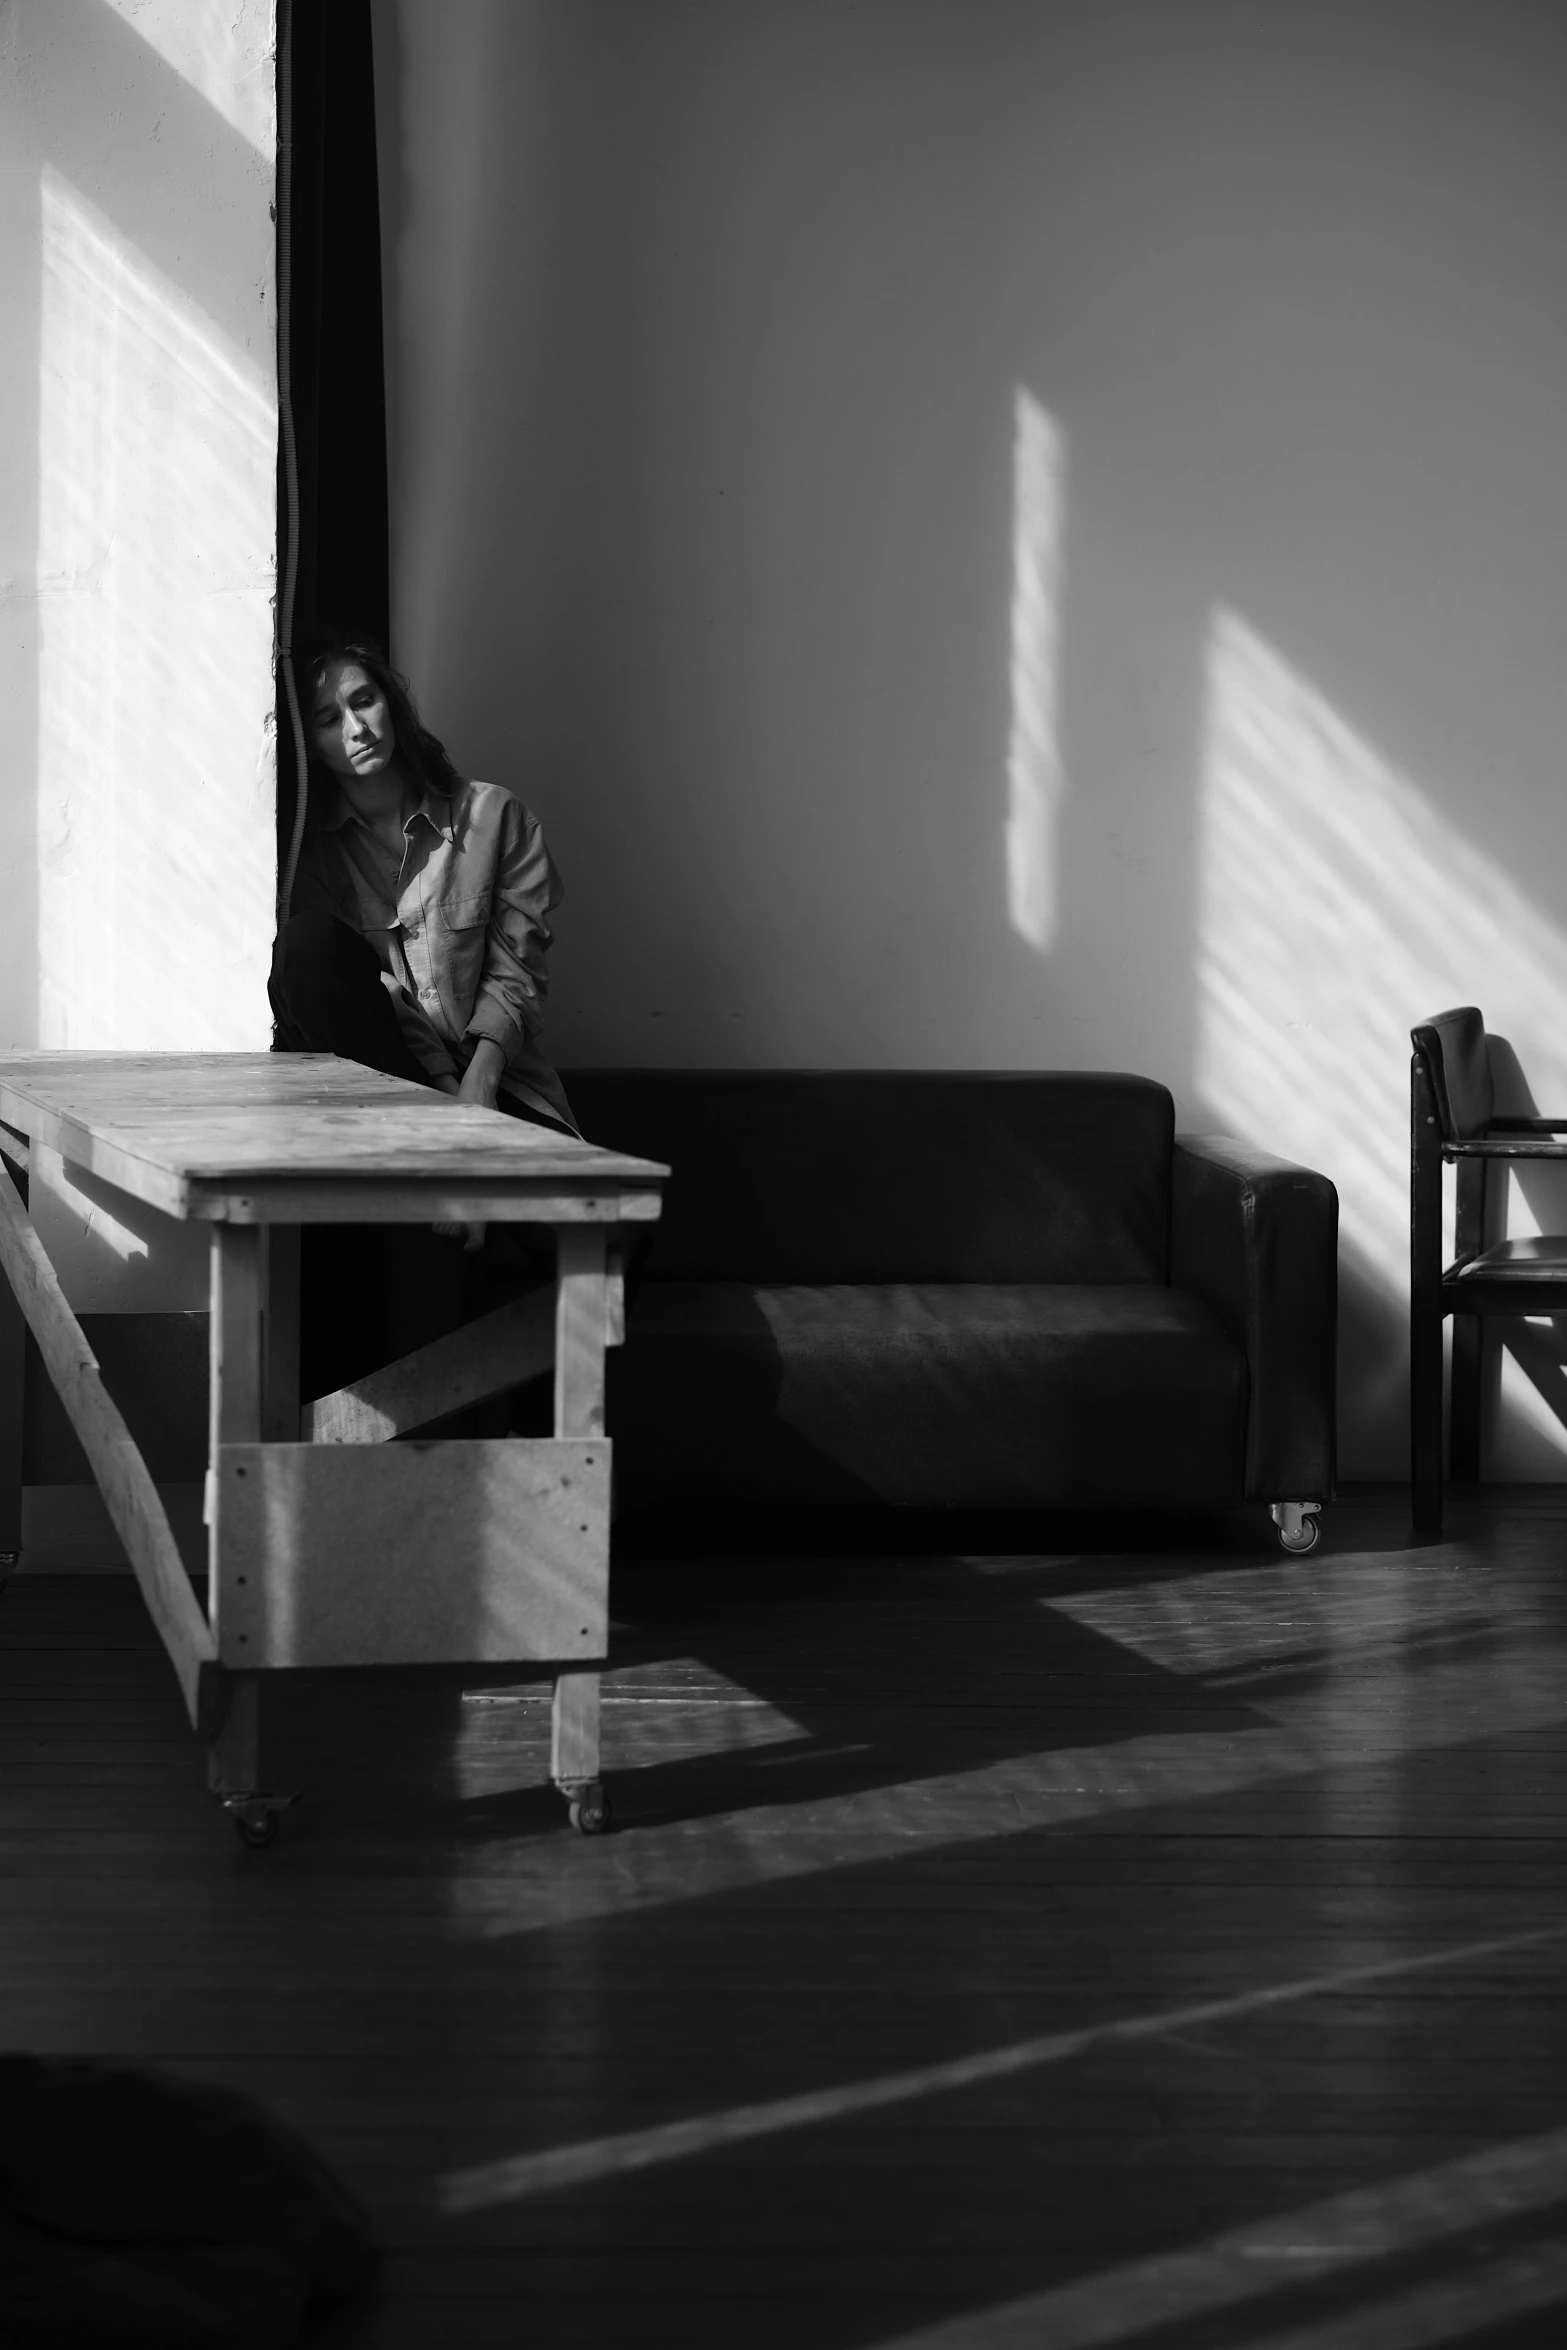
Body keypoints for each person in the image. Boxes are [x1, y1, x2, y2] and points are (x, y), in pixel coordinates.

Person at [270, 630, 578, 1254]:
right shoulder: (316, 860)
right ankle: (433, 1173)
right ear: (312, 745)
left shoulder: (495, 817)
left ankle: (464, 1183)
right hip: (399, 1089)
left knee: (614, 1239)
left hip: (498, 1085)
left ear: (394, 704)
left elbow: (517, 969)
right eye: (330, 718)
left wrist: (478, 1091)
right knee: (308, 946)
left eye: (365, 701)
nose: (357, 728)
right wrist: (442, 1107)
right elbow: (376, 998)